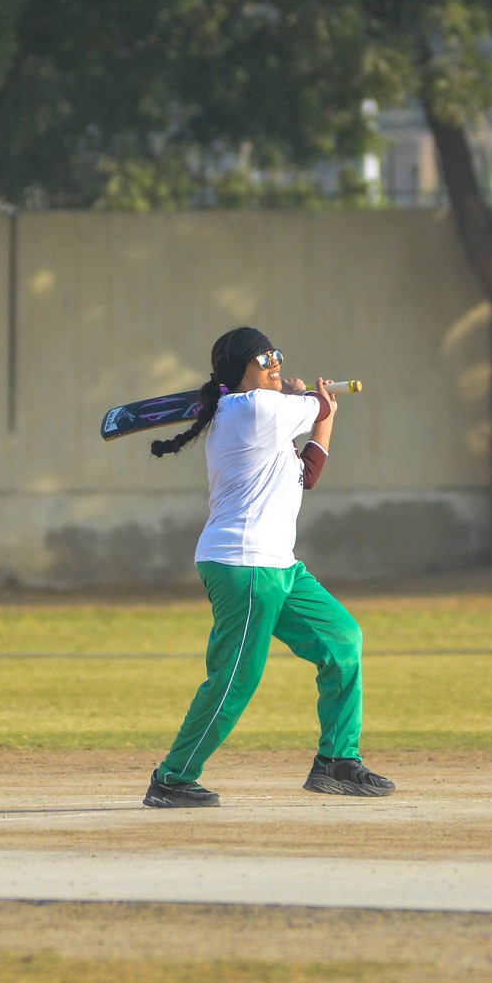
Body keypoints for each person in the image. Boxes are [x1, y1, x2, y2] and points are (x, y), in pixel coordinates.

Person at [142, 326, 394, 808]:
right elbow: (313, 406)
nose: (275, 363)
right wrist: (312, 398)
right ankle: (172, 778)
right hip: (243, 562)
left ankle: (336, 762)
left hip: (279, 565)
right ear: (239, 371)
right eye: (264, 359)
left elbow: (308, 474)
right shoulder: (252, 409)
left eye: (276, 354)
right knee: (235, 679)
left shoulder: (269, 419)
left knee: (342, 641)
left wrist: (322, 410)